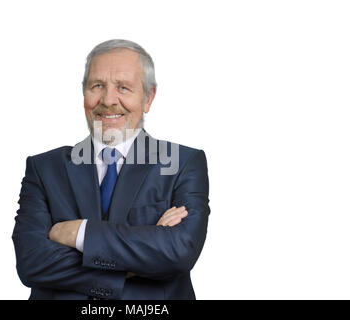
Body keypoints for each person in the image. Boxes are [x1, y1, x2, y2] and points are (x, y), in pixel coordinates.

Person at [12, 39, 210, 300]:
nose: (108, 100)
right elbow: (32, 262)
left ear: (148, 97)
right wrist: (138, 259)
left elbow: (179, 251)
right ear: (84, 94)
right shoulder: (44, 168)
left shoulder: (182, 163)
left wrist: (80, 233)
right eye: (97, 86)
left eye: (124, 88)